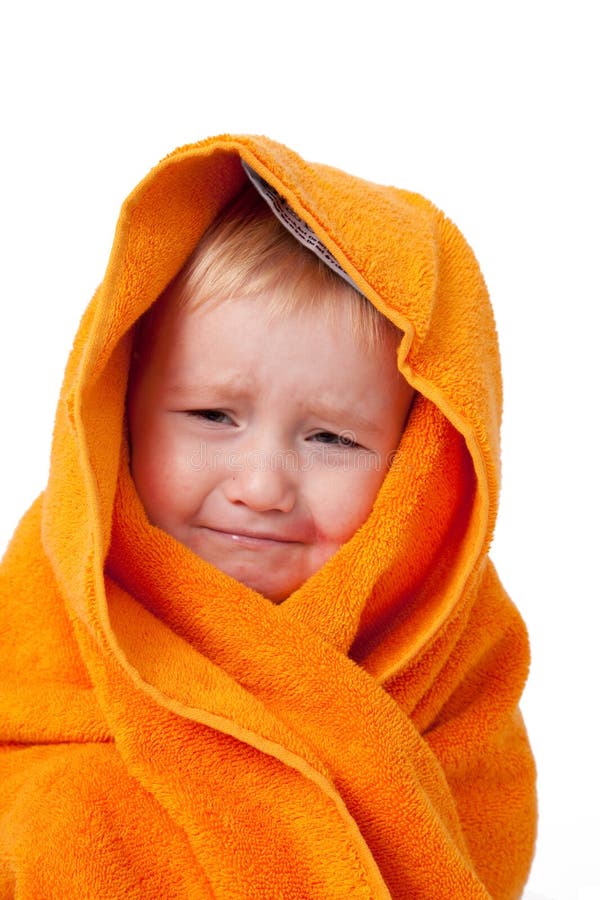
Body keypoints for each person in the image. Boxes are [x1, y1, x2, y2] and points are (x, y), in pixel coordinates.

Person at [0, 134, 536, 899]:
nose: (261, 486)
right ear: (120, 411)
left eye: (331, 438)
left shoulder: (452, 650)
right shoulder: (44, 607)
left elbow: (481, 834)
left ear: (415, 469)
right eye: (213, 415)